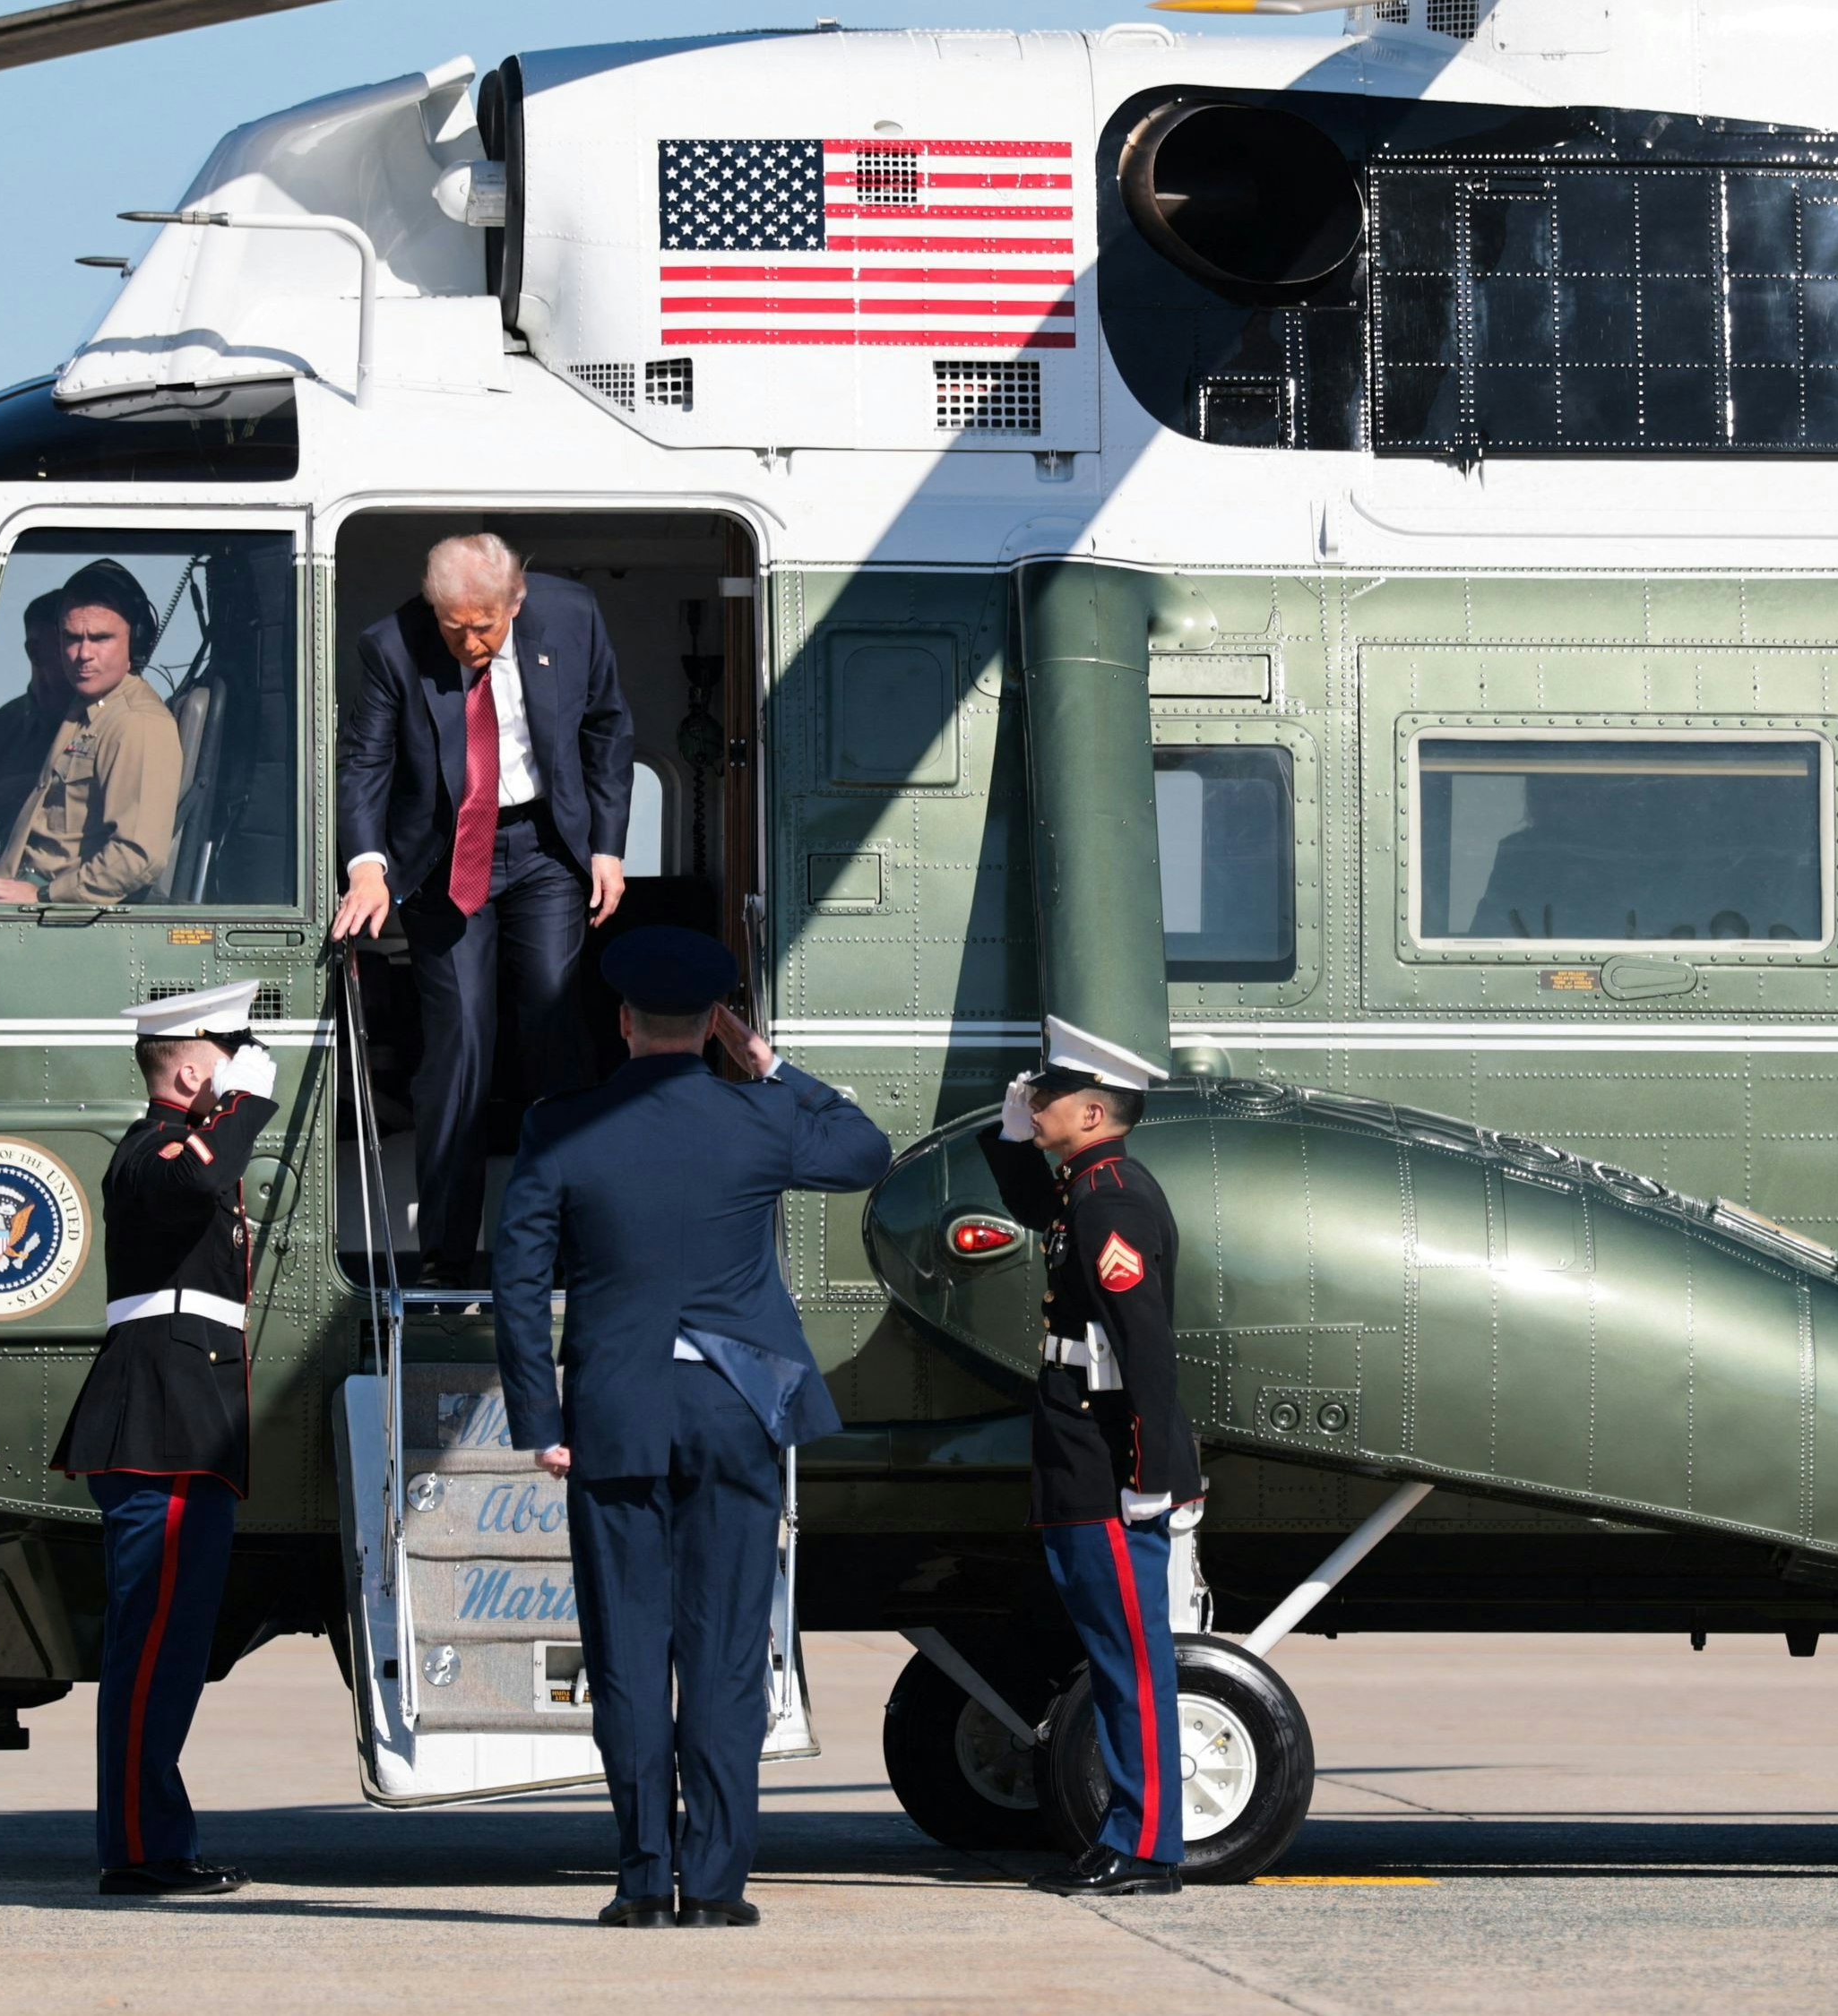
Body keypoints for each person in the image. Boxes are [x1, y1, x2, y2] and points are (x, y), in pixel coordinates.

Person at [491, 928, 889, 1929]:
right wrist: (771, 1066)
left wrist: (539, 1417)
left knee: (627, 1653)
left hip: (615, 1409)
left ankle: (641, 1883)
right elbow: (865, 1150)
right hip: (733, 1405)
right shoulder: (760, 1117)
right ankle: (713, 1885)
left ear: (623, 1021)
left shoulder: (560, 1126)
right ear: (715, 1024)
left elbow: (518, 1282)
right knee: (724, 1649)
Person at [333, 533, 635, 1286]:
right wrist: (367, 866)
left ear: (516, 603)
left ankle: (568, 1244)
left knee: (553, 1024)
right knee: (459, 1040)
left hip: (545, 847)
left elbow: (607, 727)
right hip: (445, 856)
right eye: (453, 626)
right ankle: (446, 1253)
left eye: (484, 626)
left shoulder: (572, 614)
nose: (470, 643)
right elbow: (365, 762)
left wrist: (607, 846)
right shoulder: (389, 646)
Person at [49, 978, 280, 1898]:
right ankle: (142, 1851)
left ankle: (153, 1843)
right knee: (151, 1654)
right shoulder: (150, 1152)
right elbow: (196, 1176)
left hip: (184, 1428)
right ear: (189, 1071)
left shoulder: (177, 1148)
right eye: (226, 1056)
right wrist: (248, 1104)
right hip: (163, 1430)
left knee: (168, 1653)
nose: (239, 1070)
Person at [976, 1016, 1204, 1899]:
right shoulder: (1087, 1187)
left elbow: (1144, 1348)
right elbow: (1038, 1212)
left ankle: (1146, 1846)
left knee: (1129, 1661)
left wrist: (1150, 1474)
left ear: (1096, 1111)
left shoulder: (1112, 1199)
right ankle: (1133, 1834)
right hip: (1079, 1452)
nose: (1035, 1103)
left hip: (1109, 1463)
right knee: (1111, 1652)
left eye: (1048, 1095)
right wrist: (1011, 1138)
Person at [0, 561, 183, 905]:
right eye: (72, 638)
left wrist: (43, 896)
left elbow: (138, 856)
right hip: (14, 887)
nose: (83, 654)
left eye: (101, 638)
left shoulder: (137, 723)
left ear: (136, 642)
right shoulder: (81, 713)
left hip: (46, 906)